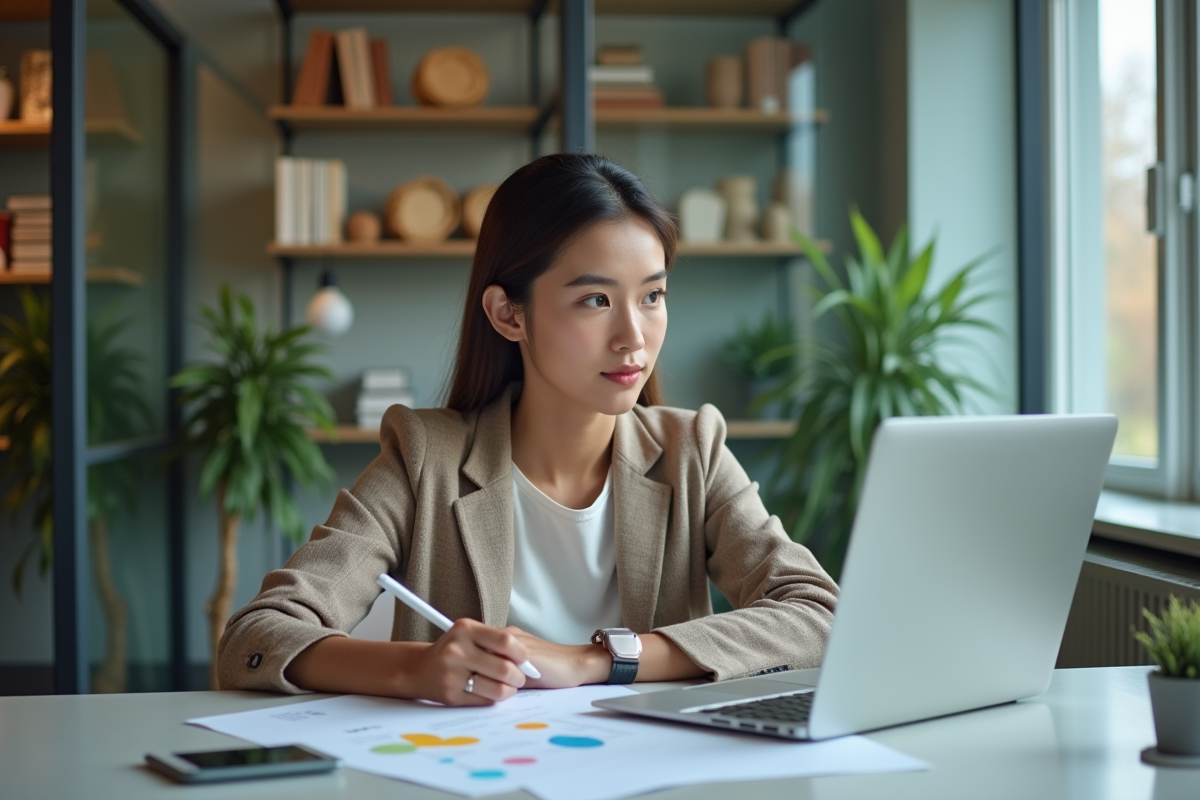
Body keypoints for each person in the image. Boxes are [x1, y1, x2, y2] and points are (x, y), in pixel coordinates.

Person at [217, 153, 838, 706]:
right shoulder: (423, 458)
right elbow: (256, 635)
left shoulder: (690, 451)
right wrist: (415, 668)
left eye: (652, 296)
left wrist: (596, 660)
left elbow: (819, 615)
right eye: (595, 300)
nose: (634, 337)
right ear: (508, 313)